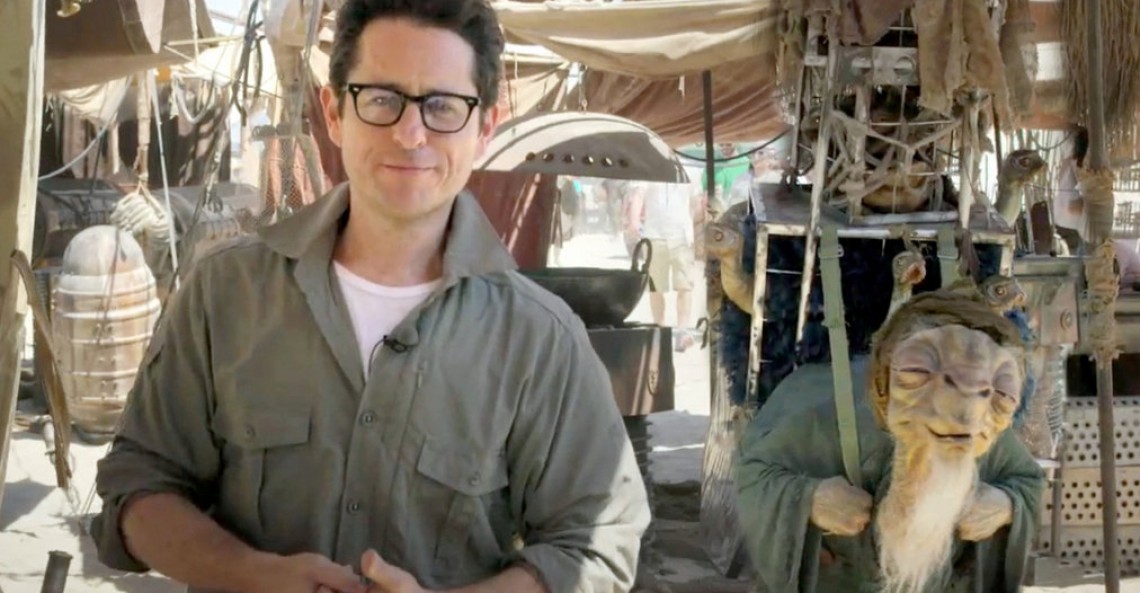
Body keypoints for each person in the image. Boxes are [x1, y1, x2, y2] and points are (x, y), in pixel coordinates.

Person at [90, 2, 651, 593]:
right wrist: (252, 574)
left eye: (443, 106)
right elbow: (139, 485)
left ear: (485, 128)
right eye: (381, 98)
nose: (410, 134)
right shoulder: (224, 295)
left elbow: (596, 543)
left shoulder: (540, 338)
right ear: (335, 113)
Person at [626, 180, 701, 351]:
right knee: (656, 287)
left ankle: (682, 332)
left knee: (685, 286)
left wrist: (694, 229)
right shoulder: (651, 169)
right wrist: (634, 222)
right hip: (654, 236)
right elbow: (639, 196)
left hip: (683, 237)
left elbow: (696, 202)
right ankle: (660, 330)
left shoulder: (689, 171)